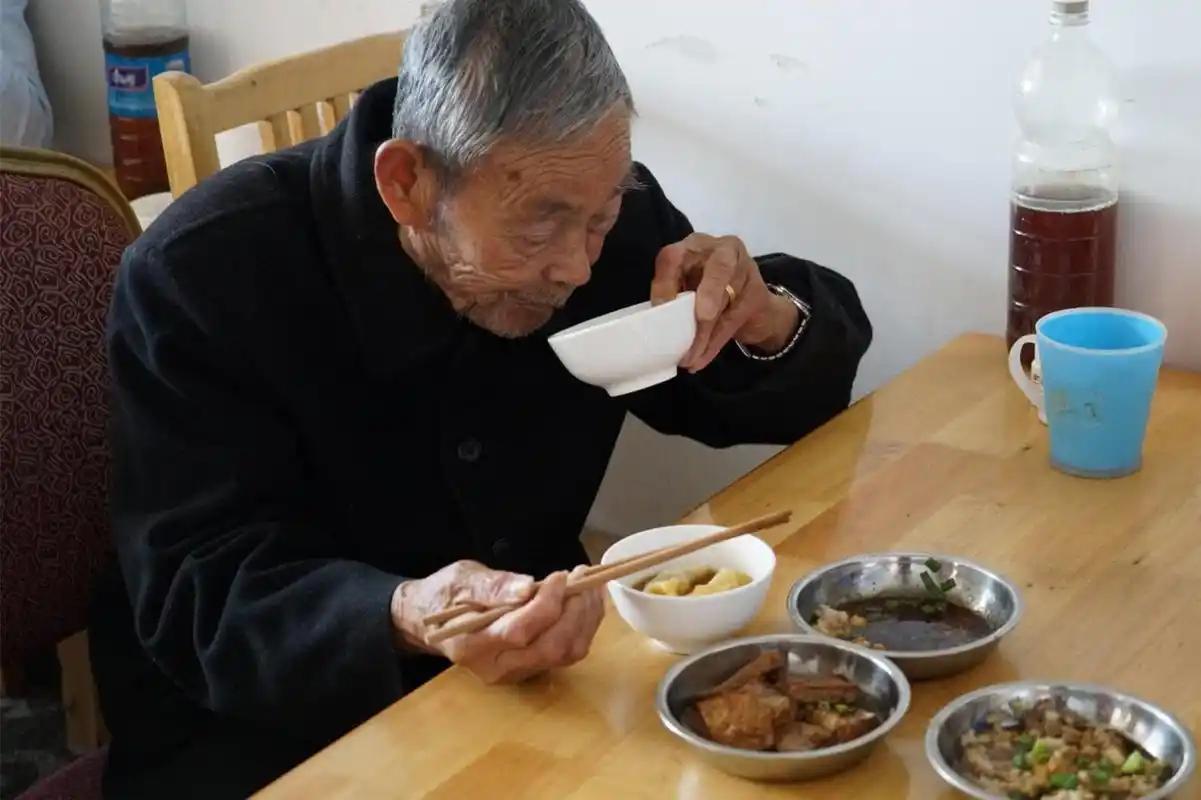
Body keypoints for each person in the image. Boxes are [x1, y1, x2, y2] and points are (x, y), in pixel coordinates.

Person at [90, 0, 872, 796]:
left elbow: (742, 401)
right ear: (406, 183)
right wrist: (403, 612)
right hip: (271, 742)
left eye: (601, 219)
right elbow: (198, 591)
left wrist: (766, 319)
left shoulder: (581, 206)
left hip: (534, 694)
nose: (576, 267)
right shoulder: (200, 274)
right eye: (539, 227)